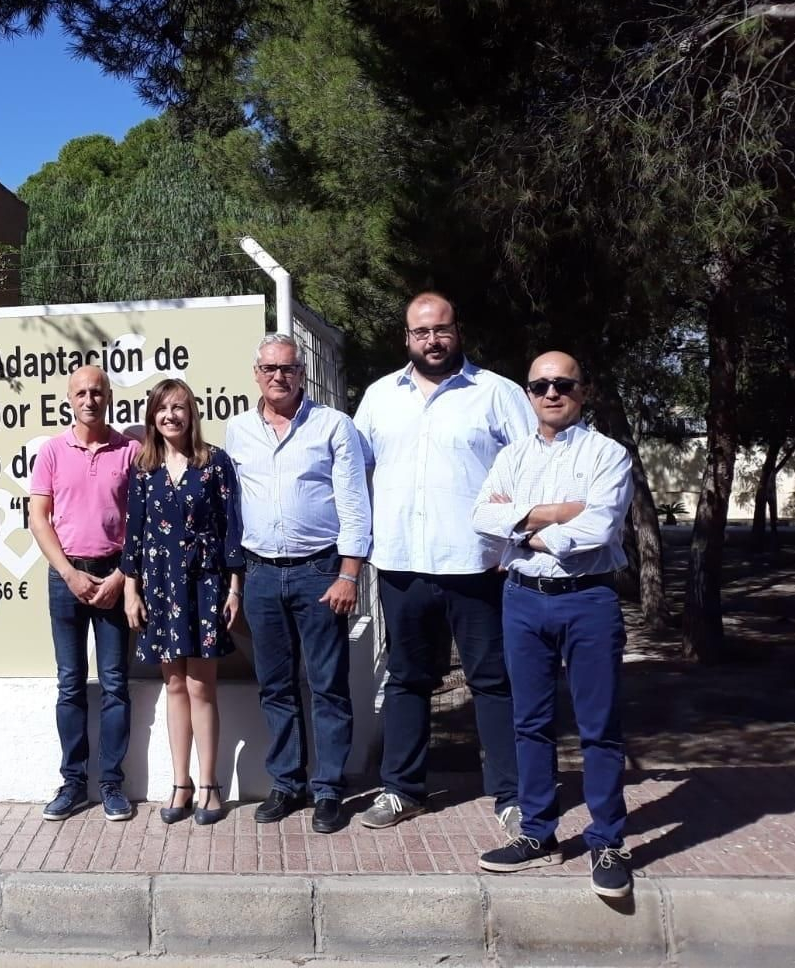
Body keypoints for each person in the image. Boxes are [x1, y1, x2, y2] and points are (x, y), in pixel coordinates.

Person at [351, 293, 533, 834]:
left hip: (477, 566)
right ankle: (402, 790)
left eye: (442, 329)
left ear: (458, 331)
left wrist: (517, 548)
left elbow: (530, 471)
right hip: (402, 565)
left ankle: (511, 794)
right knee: (408, 679)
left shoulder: (497, 394)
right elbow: (354, 472)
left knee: (493, 681)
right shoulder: (380, 397)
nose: (433, 340)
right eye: (421, 331)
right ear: (406, 338)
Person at [472, 352, 635, 899]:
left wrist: (522, 523)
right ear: (528, 392)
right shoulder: (512, 454)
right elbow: (481, 515)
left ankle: (608, 841)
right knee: (530, 723)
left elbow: (601, 524)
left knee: (599, 729)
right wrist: (558, 510)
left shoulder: (607, 455)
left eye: (563, 383)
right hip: (522, 599)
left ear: (582, 391)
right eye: (540, 384)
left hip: (588, 599)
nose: (551, 392)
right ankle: (538, 834)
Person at [226, 334, 372, 835]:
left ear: (301, 374)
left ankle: (328, 788)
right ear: (256, 373)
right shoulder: (238, 430)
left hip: (319, 571)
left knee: (328, 686)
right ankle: (287, 783)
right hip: (261, 572)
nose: (278, 377)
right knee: (275, 686)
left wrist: (349, 573)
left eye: (287, 369)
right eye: (269, 369)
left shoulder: (334, 425)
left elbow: (354, 503)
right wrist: (238, 582)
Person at [121, 379, 243, 826]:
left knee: (200, 687)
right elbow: (133, 534)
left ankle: (209, 784)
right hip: (159, 586)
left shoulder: (214, 463)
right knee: (173, 685)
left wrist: (234, 588)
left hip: (205, 583)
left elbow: (233, 528)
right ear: (152, 416)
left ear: (191, 413)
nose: (170, 415)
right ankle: (180, 783)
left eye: (179, 407)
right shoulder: (143, 468)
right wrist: (131, 590)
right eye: (161, 408)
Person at [28, 364, 139, 822]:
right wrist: (69, 573)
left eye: (97, 392)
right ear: (69, 399)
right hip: (66, 579)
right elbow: (39, 518)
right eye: (80, 393)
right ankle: (73, 783)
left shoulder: (129, 451)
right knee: (70, 684)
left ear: (109, 397)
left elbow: (143, 521)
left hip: (115, 578)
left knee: (115, 685)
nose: (89, 399)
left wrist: (121, 576)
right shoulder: (52, 452)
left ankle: (112, 784)